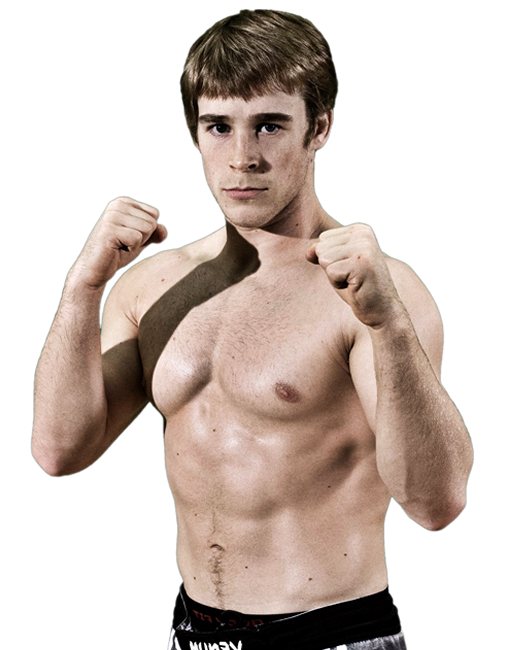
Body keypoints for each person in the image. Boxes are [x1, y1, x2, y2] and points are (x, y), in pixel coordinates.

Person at [31, 9, 474, 650]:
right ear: (195, 132)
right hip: (193, 631)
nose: (242, 158)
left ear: (318, 128)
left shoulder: (373, 292)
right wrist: (82, 286)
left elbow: (438, 503)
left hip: (330, 636)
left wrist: (388, 327)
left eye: (269, 125)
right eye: (219, 126)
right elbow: (58, 451)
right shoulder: (153, 286)